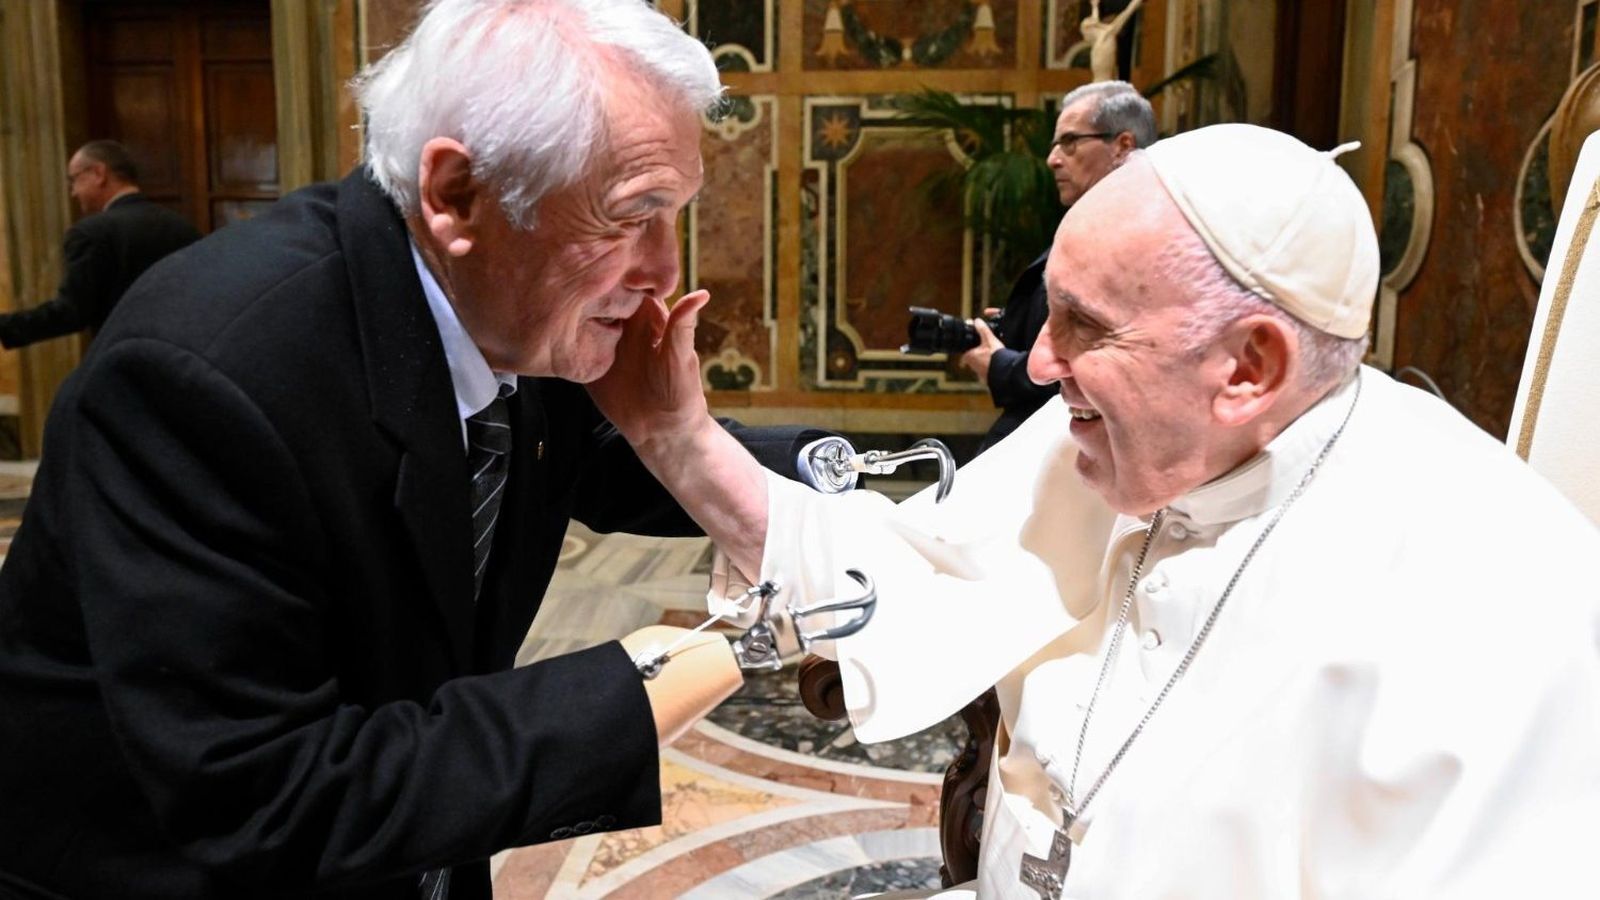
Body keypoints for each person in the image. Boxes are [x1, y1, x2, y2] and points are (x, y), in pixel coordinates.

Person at [0, 1, 822, 897]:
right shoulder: (203, 380)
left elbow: (629, 460)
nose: (665, 270)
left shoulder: (509, 305)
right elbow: (270, 797)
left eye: (676, 214)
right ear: (457, 196)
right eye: (632, 215)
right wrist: (732, 647)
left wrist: (879, 483)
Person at [704, 124, 1600, 896]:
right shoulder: (1113, 433)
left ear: (1248, 370)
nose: (1042, 366)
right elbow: (910, 564)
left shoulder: (1505, 599)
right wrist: (678, 436)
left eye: (1082, 324)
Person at [960, 81, 1154, 453]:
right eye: (1054, 144)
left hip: (1077, 445)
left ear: (1123, 146)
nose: (1052, 159)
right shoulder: (1088, 224)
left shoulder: (1133, 238)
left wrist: (999, 365)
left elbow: (1091, 365)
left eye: (1070, 142)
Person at [0, 140, 199, 349]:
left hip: (124, 361)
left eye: (74, 180)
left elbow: (71, 314)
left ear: (98, 173)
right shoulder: (181, 226)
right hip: (183, 358)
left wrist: (4, 325)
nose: (73, 192)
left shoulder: (90, 233)